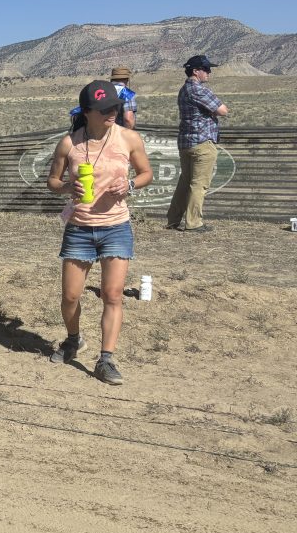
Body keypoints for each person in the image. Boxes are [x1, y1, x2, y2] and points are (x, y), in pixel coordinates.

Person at [46, 80, 153, 385]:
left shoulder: (129, 138)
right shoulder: (70, 143)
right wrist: (67, 186)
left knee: (112, 295)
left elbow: (146, 173)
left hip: (116, 227)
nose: (112, 113)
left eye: (115, 108)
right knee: (70, 296)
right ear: (88, 112)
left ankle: (106, 359)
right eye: (105, 109)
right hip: (79, 227)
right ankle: (73, 339)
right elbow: (52, 182)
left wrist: (130, 184)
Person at [165, 54, 227, 233]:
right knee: (199, 183)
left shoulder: (184, 89)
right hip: (202, 142)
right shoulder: (199, 90)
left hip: (186, 142)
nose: (208, 72)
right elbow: (223, 110)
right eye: (206, 69)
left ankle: (173, 220)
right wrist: (212, 113)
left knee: (185, 182)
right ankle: (193, 222)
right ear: (195, 71)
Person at [68, 66, 137, 128]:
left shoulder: (103, 90)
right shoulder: (127, 94)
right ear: (127, 79)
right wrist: (128, 135)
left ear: (112, 79)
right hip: (116, 133)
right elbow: (128, 119)